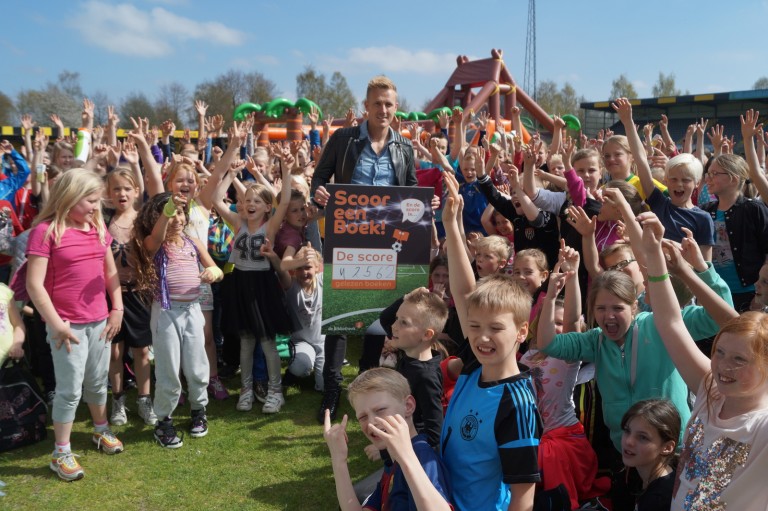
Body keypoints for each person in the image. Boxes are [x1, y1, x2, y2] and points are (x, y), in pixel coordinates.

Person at [638, 212, 768, 510]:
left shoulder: (762, 428)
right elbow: (670, 322)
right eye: (720, 352)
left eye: (739, 359)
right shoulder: (710, 391)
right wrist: (654, 255)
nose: (723, 365)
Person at [311, 75, 417, 424]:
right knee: (341, 317)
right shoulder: (343, 139)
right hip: (346, 237)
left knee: (375, 315)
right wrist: (321, 193)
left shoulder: (404, 147)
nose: (383, 109)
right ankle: (331, 391)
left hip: (385, 241)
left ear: (395, 108)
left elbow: (412, 189)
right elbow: (319, 179)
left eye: (388, 104)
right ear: (365, 106)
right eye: (377, 103)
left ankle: (368, 383)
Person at [441, 169, 541, 510]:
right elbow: (463, 290)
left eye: (496, 329)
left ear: (522, 332)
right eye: (475, 327)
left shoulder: (516, 403)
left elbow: (523, 498)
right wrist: (451, 224)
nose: (482, 337)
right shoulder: (475, 364)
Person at [26, 169, 125, 481]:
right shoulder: (45, 231)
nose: (97, 207)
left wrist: (117, 308)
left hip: (100, 322)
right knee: (69, 390)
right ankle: (61, 452)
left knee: (97, 382)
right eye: (91, 200)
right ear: (69, 198)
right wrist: (56, 325)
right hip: (66, 327)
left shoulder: (98, 228)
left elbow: (110, 273)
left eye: (98, 201)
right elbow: (34, 286)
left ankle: (100, 430)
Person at [133, 192, 223, 448]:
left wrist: (213, 272)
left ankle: (198, 410)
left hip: (193, 310)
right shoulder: (155, 244)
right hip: (166, 312)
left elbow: (216, 269)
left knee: (197, 366)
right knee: (168, 369)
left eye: (180, 213)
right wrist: (168, 210)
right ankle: (164, 421)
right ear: (157, 218)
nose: (176, 219)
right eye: (170, 214)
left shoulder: (193, 242)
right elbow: (156, 237)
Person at [213, 162, 293, 414]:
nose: (250, 204)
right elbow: (216, 199)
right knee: (246, 341)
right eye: (247, 199)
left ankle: (275, 392)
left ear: (267, 207)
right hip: (240, 285)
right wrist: (231, 174)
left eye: (257, 201)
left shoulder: (270, 226)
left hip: (263, 285)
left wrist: (287, 172)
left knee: (267, 342)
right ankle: (246, 390)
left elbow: (286, 201)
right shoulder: (238, 222)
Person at [323, 367, 452, 511]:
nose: (371, 423)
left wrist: (405, 456)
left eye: (380, 410)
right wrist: (338, 459)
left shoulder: (422, 456)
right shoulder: (392, 462)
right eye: (363, 417)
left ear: (408, 406)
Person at [613, 98, 714, 260]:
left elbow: (706, 265)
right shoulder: (659, 203)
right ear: (666, 180)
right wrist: (628, 123)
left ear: (696, 184)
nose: (679, 184)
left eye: (686, 180)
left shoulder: (703, 218)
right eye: (673, 179)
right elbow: (641, 160)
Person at [104, 168, 156, 427]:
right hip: (110, 296)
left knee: (142, 351)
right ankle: (118, 400)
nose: (121, 193)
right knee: (114, 352)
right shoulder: (103, 221)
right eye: (116, 188)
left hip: (138, 294)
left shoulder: (143, 221)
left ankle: (144, 400)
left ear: (136, 191)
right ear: (108, 193)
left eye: (127, 188)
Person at [620, 399, 680, 511]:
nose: (628, 441)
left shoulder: (660, 500)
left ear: (667, 447)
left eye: (643, 437)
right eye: (627, 430)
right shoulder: (635, 475)